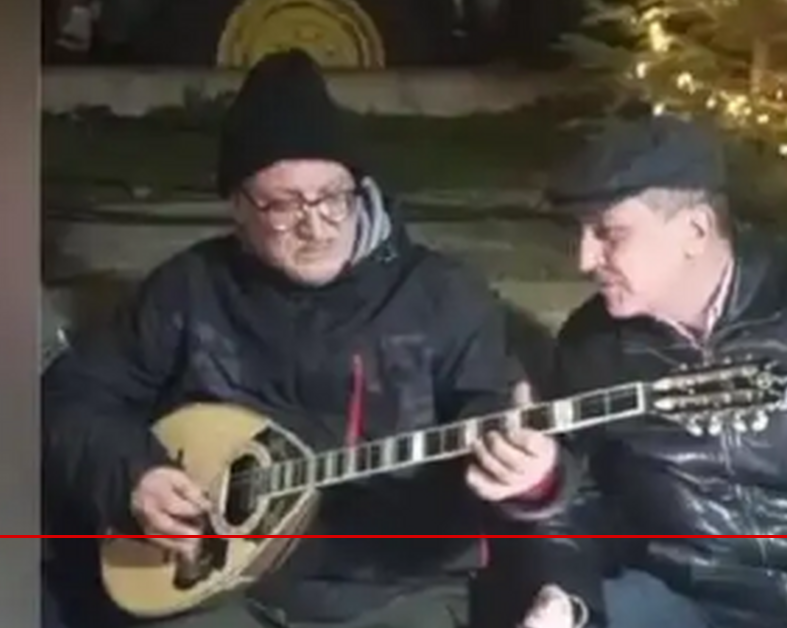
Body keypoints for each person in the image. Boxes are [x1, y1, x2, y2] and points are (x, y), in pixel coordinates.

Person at [42, 49, 543, 628]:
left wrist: (528, 470)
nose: (316, 225)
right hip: (219, 589)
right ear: (238, 207)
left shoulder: (443, 294)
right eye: (284, 205)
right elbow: (74, 396)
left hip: (395, 588)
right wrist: (132, 475)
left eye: (333, 197)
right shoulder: (189, 289)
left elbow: (493, 407)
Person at [465, 115, 787, 628]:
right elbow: (582, 506)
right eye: (580, 232)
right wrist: (546, 495)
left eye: (609, 233)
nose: (584, 259)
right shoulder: (591, 343)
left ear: (695, 231)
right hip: (675, 601)